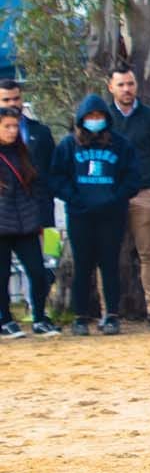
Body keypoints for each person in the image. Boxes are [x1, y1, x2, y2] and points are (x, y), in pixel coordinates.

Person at [51, 95, 138, 335]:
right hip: (80, 215)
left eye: (99, 117)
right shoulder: (69, 145)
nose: (95, 121)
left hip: (111, 215)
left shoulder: (120, 145)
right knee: (83, 266)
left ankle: (111, 315)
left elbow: (132, 178)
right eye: (90, 117)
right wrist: (75, 199)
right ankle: (80, 317)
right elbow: (56, 178)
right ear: (81, 119)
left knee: (110, 265)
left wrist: (115, 198)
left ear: (106, 119)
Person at [105, 63, 150, 327]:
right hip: (110, 195)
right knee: (108, 253)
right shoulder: (103, 119)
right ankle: (109, 312)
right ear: (111, 87)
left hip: (144, 193)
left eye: (130, 84)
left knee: (149, 253)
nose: (126, 89)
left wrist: (143, 175)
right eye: (120, 84)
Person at [0, 107, 57, 336]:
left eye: (15, 126)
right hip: (2, 225)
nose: (12, 131)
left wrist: (40, 218)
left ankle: (40, 317)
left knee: (36, 271)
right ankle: (5, 319)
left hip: (26, 223)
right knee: (2, 275)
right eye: (7, 126)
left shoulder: (24, 153)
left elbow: (37, 185)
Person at [0, 78, 55, 248]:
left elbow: (53, 168)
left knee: (52, 257)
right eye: (6, 100)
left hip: (44, 211)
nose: (12, 104)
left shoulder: (41, 131)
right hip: (6, 218)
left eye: (16, 98)